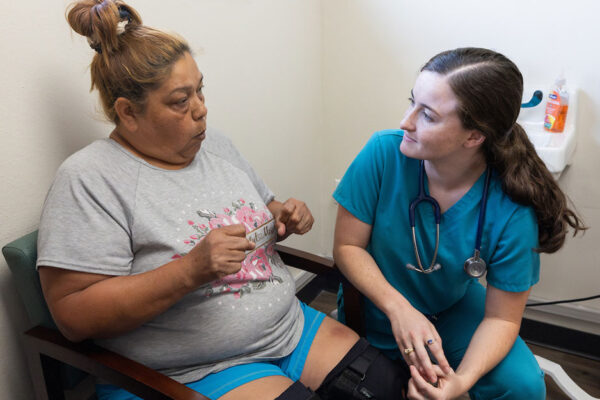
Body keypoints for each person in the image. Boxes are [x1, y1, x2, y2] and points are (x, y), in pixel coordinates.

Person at [37, 1, 409, 399]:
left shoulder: (213, 145)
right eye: (181, 101)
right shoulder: (90, 179)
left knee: (385, 385)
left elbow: (260, 215)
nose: (201, 110)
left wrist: (283, 215)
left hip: (286, 328)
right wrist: (189, 271)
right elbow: (73, 316)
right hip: (192, 369)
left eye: (200, 90)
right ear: (128, 113)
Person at [332, 47, 587, 400]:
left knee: (523, 386)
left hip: (450, 308)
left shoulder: (510, 208)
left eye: (428, 116)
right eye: (411, 103)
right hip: (377, 304)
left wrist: (460, 383)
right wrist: (400, 309)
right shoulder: (382, 154)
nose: (406, 121)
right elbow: (347, 247)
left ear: (473, 137)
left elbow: (502, 319)